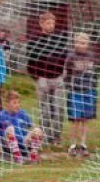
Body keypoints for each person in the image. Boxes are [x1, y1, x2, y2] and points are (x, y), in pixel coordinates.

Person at [26, 12, 68, 145]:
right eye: (48, 23)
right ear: (41, 24)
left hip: (57, 78)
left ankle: (56, 137)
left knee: (59, 107)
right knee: (45, 109)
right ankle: (44, 136)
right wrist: (37, 77)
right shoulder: (34, 41)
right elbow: (30, 62)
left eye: (52, 23)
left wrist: (62, 72)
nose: (51, 26)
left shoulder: (60, 38)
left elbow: (64, 56)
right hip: (43, 78)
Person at [65, 32, 97, 157]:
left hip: (88, 91)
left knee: (84, 120)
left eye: (83, 43)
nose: (80, 45)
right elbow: (67, 73)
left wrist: (93, 87)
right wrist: (69, 85)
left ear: (87, 44)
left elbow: (94, 73)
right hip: (75, 91)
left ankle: (83, 145)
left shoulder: (91, 56)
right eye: (78, 42)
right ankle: (72, 145)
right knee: (75, 120)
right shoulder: (71, 56)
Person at [0, 90, 44, 163]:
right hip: (7, 144)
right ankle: (17, 157)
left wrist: (34, 136)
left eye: (18, 102)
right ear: (7, 104)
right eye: (14, 103)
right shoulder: (0, 115)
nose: (17, 105)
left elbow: (30, 127)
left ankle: (33, 156)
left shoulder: (22, 113)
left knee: (37, 130)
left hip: (22, 143)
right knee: (10, 128)